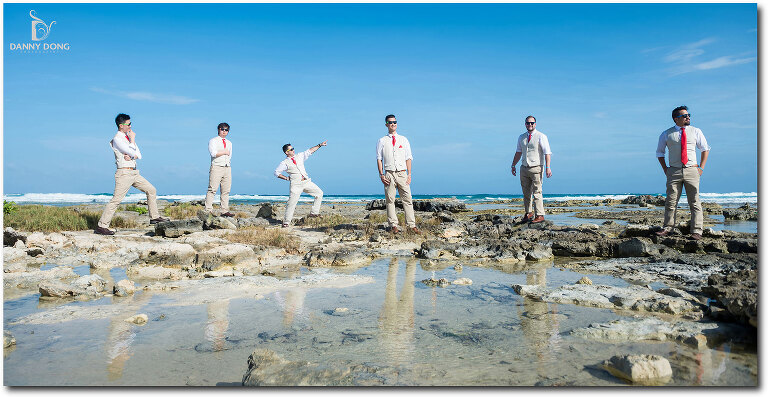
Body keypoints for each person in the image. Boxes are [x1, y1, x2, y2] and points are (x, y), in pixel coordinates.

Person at [95, 113, 168, 235]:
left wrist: (132, 154)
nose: (130, 126)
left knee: (151, 190)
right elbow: (132, 151)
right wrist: (133, 140)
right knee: (116, 200)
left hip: (134, 173)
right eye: (128, 124)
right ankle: (101, 226)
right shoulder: (117, 139)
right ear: (121, 125)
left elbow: (138, 155)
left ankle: (154, 217)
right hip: (124, 173)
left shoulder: (127, 138)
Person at [655, 105, 710, 240]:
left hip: (692, 169)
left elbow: (705, 149)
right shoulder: (666, 134)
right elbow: (660, 153)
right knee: (671, 201)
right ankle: (668, 228)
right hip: (674, 170)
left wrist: (701, 168)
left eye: (688, 115)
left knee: (694, 201)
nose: (688, 117)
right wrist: (666, 169)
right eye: (684, 116)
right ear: (676, 119)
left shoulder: (696, 131)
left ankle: (697, 231)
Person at [376, 114, 419, 234]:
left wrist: (409, 174)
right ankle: (393, 225)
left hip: (402, 173)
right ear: (386, 125)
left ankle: (411, 225)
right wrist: (381, 174)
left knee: (408, 199)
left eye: (394, 122)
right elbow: (379, 158)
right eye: (390, 122)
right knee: (390, 200)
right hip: (389, 173)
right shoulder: (382, 141)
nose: (393, 124)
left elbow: (408, 158)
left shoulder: (403, 139)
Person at [274, 141, 327, 227]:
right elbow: (276, 173)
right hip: (296, 185)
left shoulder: (299, 156)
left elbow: (310, 151)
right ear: (286, 152)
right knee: (291, 203)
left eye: (293, 148)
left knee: (319, 193)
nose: (293, 150)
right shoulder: (284, 163)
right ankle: (286, 222)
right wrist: (286, 178)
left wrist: (320, 145)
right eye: (291, 149)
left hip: (306, 182)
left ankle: (314, 213)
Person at [511, 116, 552, 223]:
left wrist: (548, 167)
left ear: (535, 124)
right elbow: (518, 152)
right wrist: (513, 165)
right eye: (528, 123)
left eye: (532, 123)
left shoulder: (541, 136)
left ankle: (540, 215)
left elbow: (547, 152)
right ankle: (528, 212)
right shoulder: (521, 137)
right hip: (524, 167)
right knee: (526, 192)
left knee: (537, 191)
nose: (530, 125)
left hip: (537, 167)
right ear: (525, 124)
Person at [205, 123, 234, 217]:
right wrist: (224, 152)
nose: (224, 131)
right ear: (218, 129)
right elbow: (213, 153)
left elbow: (230, 155)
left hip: (227, 167)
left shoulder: (229, 143)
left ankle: (224, 210)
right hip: (217, 166)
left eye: (226, 130)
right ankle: (208, 209)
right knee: (212, 189)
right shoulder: (213, 141)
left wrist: (227, 160)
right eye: (222, 129)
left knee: (226, 190)